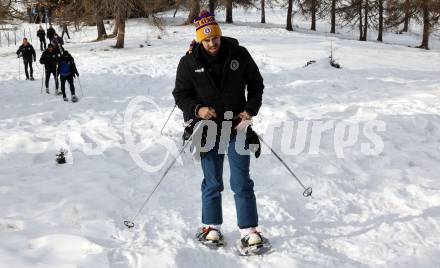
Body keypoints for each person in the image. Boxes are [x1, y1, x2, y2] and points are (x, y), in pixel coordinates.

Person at [172, 10, 266, 250]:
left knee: (241, 180)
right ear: (199, 40)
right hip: (207, 131)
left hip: (237, 127)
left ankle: (249, 231)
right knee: (212, 181)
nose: (212, 43)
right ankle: (212, 227)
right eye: (206, 39)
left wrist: (250, 110)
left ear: (219, 35)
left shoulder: (239, 54)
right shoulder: (189, 62)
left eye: (215, 37)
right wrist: (198, 109)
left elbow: (256, 84)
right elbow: (180, 95)